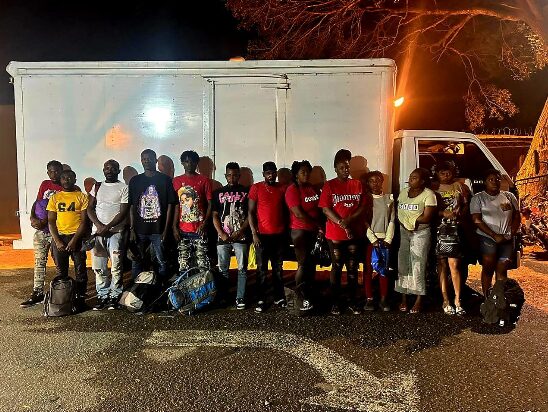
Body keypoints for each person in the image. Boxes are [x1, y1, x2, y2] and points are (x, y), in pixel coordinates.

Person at [319, 149, 366, 315]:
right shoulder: (329, 185)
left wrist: (350, 220)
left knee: (353, 268)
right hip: (336, 234)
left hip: (354, 232)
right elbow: (325, 209)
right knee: (337, 267)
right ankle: (336, 302)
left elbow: (362, 206)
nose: (345, 170)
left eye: (347, 167)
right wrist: (342, 223)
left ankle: (353, 301)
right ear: (335, 169)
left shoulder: (357, 184)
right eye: (341, 167)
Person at [128, 149, 177, 282]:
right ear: (141, 161)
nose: (146, 161)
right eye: (143, 159)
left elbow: (171, 205)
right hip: (139, 230)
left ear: (155, 160)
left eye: (149, 158)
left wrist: (166, 230)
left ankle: (161, 288)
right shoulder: (135, 181)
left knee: (162, 261)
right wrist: (132, 229)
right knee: (137, 261)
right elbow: (131, 206)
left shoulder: (165, 180)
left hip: (158, 230)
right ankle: (136, 288)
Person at [87, 160, 130, 310]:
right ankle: (102, 295)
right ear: (103, 170)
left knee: (116, 266)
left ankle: (114, 295)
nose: (109, 170)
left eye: (113, 168)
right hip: (98, 234)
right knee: (99, 267)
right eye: (107, 168)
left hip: (115, 233)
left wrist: (108, 227)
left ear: (118, 171)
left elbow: (123, 212)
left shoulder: (124, 188)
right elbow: (89, 208)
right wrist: (99, 226)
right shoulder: (97, 186)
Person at [470, 169, 520, 297]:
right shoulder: (478, 198)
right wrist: (494, 235)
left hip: (507, 238)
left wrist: (511, 233)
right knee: (488, 267)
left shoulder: (509, 196)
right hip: (487, 237)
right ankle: (487, 297)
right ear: (485, 182)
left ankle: (499, 298)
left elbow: (516, 216)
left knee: (503, 267)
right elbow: (476, 219)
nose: (494, 182)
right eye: (490, 179)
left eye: (497, 179)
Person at [20, 160, 64, 307]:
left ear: (61, 171)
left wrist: (45, 221)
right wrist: (32, 217)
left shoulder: (66, 185)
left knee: (59, 263)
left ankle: (60, 292)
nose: (54, 174)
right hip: (41, 231)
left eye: (56, 171)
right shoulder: (45, 184)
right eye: (50, 171)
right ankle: (37, 292)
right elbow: (37, 202)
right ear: (47, 172)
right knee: (39, 262)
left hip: (57, 231)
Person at [395, 168, 437, 314]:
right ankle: (403, 298)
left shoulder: (429, 195)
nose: (411, 179)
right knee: (403, 264)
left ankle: (419, 299)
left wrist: (410, 219)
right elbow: (399, 211)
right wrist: (405, 222)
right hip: (404, 232)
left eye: (414, 177)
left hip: (420, 233)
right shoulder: (403, 192)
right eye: (410, 176)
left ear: (423, 181)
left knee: (418, 265)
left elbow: (426, 217)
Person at [46, 169, 89, 311]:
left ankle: (80, 299)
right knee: (61, 272)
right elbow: (51, 221)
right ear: (60, 180)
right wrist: (57, 241)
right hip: (60, 238)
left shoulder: (82, 197)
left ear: (75, 179)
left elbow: (84, 222)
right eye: (64, 178)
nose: (66, 180)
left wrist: (74, 241)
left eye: (70, 178)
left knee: (80, 270)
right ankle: (63, 301)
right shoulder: (55, 198)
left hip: (76, 237)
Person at [248, 161, 288, 313]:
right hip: (262, 236)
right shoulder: (256, 188)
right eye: (268, 173)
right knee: (261, 270)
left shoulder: (283, 188)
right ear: (263, 174)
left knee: (278, 269)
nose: (271, 175)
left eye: (273, 172)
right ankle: (261, 299)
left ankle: (279, 297)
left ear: (276, 173)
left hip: (279, 236)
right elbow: (250, 212)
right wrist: (254, 234)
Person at [212, 162, 250, 309]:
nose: (232, 178)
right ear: (225, 176)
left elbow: (250, 215)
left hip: (241, 236)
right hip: (223, 237)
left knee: (242, 268)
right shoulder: (218, 193)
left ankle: (240, 297)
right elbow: (214, 215)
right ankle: (223, 297)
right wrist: (221, 233)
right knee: (223, 269)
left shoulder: (246, 192)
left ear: (239, 176)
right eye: (229, 175)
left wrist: (241, 231)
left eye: (235, 175)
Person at [285, 160, 322, 312]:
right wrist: (317, 226)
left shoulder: (311, 188)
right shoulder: (292, 190)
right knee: (303, 263)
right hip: (300, 231)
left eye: (308, 172)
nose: (306, 174)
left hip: (313, 230)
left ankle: (309, 293)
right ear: (296, 174)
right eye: (303, 172)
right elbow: (298, 213)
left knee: (311, 262)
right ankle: (299, 296)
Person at [434, 161, 467, 315]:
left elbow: (466, 204)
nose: (446, 175)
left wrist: (460, 215)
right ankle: (445, 300)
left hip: (455, 229)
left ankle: (458, 300)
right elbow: (428, 208)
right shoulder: (433, 188)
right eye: (442, 173)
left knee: (454, 265)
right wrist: (443, 213)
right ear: (437, 174)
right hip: (439, 229)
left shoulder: (459, 186)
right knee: (442, 265)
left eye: (448, 172)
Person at [172, 150, 213, 273]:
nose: (189, 164)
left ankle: (203, 285)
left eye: (192, 162)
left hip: (200, 230)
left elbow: (210, 204)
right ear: (182, 163)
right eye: (186, 162)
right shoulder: (176, 181)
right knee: (183, 265)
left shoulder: (204, 180)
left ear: (197, 163)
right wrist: (174, 227)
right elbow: (176, 205)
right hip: (183, 230)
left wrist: (205, 223)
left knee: (202, 265)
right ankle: (185, 285)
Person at [363, 171, 395, 312]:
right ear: (368, 183)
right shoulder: (366, 199)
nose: (375, 183)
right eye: (371, 181)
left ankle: (383, 299)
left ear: (382, 181)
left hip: (385, 240)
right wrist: (373, 239)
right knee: (368, 270)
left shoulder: (389, 199)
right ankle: (369, 298)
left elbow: (392, 219)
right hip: (370, 240)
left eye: (377, 180)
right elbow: (363, 221)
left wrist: (388, 239)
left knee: (384, 270)